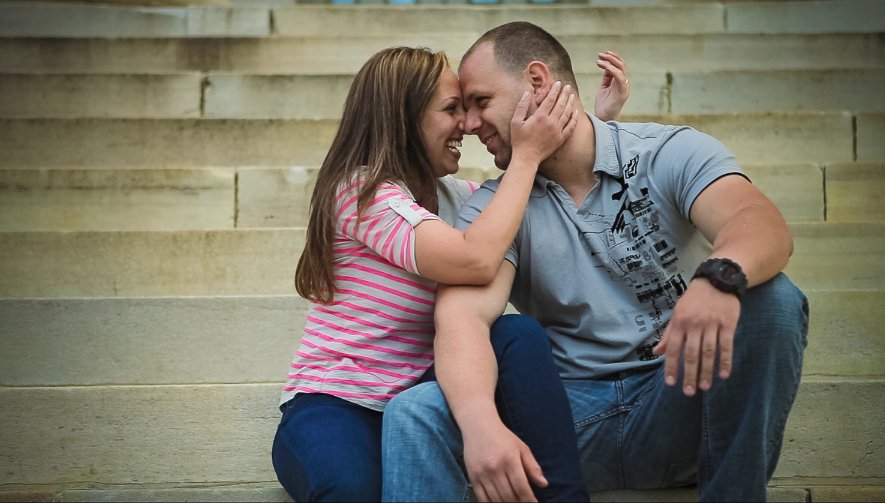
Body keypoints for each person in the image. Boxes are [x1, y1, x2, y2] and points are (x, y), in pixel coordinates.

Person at [382, 22, 809, 503]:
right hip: (561, 421)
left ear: (538, 83)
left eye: (480, 102)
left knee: (772, 299)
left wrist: (716, 280)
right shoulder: (495, 207)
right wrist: (480, 425)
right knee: (417, 410)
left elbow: (758, 221)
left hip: (681, 396)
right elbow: (462, 320)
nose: (468, 124)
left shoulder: (664, 151)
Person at [271, 45, 630, 502]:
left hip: (426, 395)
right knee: (352, 489)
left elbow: (542, 194)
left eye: (469, 108)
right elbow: (474, 259)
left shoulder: (459, 198)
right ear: (404, 119)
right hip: (338, 404)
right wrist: (524, 156)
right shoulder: (359, 193)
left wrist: (593, 127)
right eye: (451, 109)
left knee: (516, 335)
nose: (467, 124)